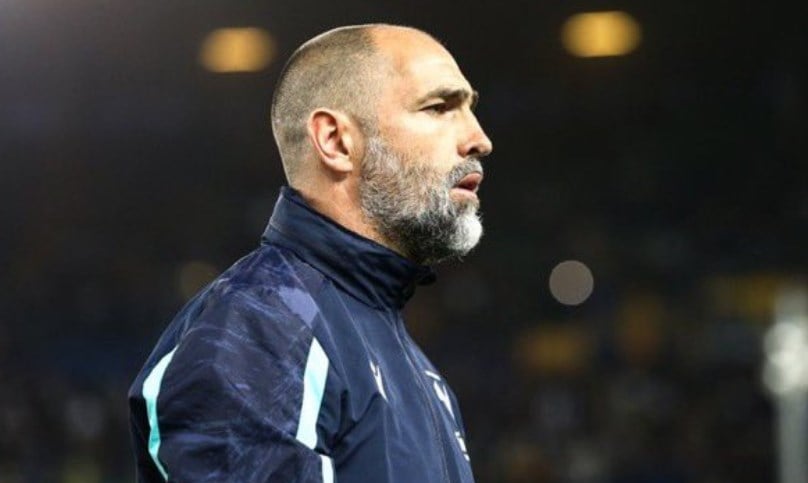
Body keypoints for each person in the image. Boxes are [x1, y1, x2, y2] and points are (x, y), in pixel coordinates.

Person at [128, 23, 493, 482]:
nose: (479, 138)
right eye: (439, 107)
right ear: (336, 141)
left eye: (469, 108)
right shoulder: (260, 329)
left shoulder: (405, 356)